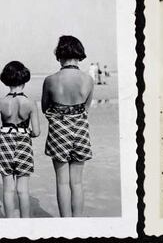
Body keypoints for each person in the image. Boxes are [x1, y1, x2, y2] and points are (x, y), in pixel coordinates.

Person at [42, 35, 94, 217]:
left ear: (59, 53)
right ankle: (77, 223)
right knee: (77, 183)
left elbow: (45, 108)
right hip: (80, 129)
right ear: (79, 53)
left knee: (62, 182)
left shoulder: (50, 80)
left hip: (58, 129)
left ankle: (65, 224)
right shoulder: (88, 80)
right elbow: (86, 109)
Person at [0, 61, 40, 218]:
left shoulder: (1, 103)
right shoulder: (30, 103)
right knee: (23, 190)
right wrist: (25, 133)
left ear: (6, 80)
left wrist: (7, 134)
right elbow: (37, 132)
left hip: (5, 144)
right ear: (24, 79)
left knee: (7, 189)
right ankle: (25, 223)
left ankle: (10, 223)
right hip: (24, 144)